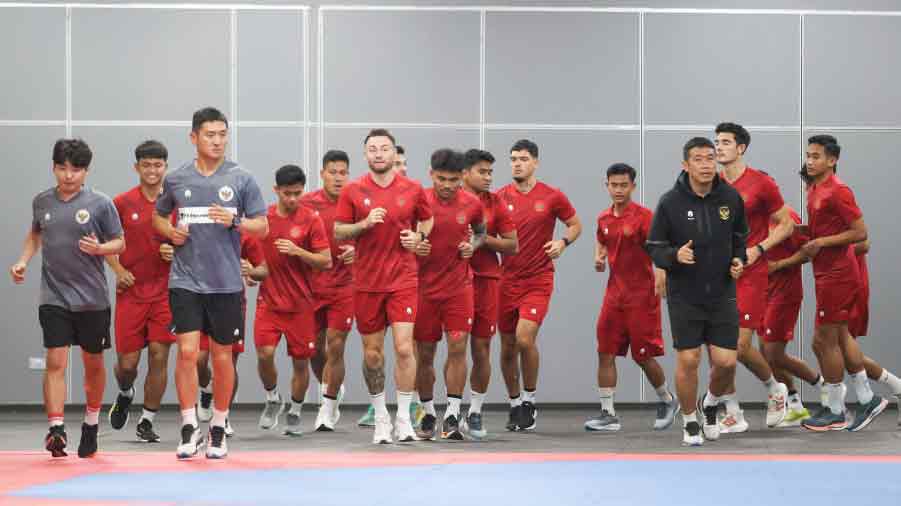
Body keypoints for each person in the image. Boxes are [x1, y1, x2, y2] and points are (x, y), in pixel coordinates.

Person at [153, 107, 268, 459]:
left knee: (221, 357)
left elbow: (262, 226)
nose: (217, 141)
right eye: (210, 135)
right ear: (194, 138)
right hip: (185, 280)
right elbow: (159, 217)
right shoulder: (176, 179)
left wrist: (235, 222)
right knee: (188, 353)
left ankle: (218, 426)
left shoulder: (242, 178)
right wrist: (170, 232)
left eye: (222, 134)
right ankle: (189, 427)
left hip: (226, 284)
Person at [11, 138, 125, 458]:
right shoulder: (42, 202)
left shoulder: (101, 204)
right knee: (55, 360)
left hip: (92, 299)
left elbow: (120, 243)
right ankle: (56, 429)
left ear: (86, 171)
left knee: (93, 364)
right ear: (54, 168)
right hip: (54, 295)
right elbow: (35, 234)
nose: (68, 175)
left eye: (76, 169)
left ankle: (91, 423)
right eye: (62, 168)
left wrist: (101, 249)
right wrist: (23, 261)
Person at [646, 136, 748, 446]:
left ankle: (710, 404)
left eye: (710, 158)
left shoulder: (730, 197)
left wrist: (739, 260)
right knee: (689, 360)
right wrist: (674, 255)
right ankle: (690, 421)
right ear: (686, 165)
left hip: (722, 292)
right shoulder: (670, 202)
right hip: (685, 294)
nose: (706, 165)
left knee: (726, 362)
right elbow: (654, 247)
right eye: (698, 159)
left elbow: (740, 237)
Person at [335, 128, 433, 444]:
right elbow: (338, 231)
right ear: (366, 155)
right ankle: (380, 417)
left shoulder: (413, 188)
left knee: (404, 348)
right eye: (373, 149)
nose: (379, 154)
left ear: (394, 153)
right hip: (367, 283)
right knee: (373, 355)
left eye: (384, 148)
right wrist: (364, 224)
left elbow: (427, 220)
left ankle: (403, 418)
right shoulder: (353, 190)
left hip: (403, 279)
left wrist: (419, 236)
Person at [799, 135, 887, 432]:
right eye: (808, 156)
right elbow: (823, 228)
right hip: (825, 273)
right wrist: (799, 231)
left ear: (832, 160)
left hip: (839, 275)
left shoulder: (838, 191)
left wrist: (821, 242)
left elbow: (860, 232)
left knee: (825, 340)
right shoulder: (814, 189)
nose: (810, 161)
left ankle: (836, 410)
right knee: (830, 339)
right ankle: (867, 399)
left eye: (816, 157)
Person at [584, 162, 677, 432]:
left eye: (624, 185)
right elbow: (602, 239)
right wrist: (599, 256)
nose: (618, 190)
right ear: (607, 186)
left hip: (642, 296)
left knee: (642, 356)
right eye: (614, 185)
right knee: (605, 351)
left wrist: (661, 273)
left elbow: (660, 248)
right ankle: (608, 414)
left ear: (633, 186)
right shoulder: (603, 218)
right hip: (614, 295)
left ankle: (667, 400)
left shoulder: (645, 217)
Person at [497, 139, 582, 432]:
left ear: (535, 162)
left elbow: (576, 224)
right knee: (507, 347)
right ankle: (514, 404)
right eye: (513, 159)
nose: (517, 164)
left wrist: (563, 242)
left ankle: (529, 400)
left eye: (523, 159)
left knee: (524, 338)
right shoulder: (499, 197)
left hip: (538, 279)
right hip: (506, 281)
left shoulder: (552, 196)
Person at [714, 122, 794, 431]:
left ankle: (776, 389)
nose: (719, 147)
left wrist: (760, 249)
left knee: (739, 346)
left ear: (741, 148)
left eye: (725, 142)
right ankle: (733, 412)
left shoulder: (761, 183)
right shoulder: (712, 184)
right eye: (716, 142)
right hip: (718, 275)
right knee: (718, 349)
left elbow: (786, 224)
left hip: (751, 273)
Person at [412, 149, 486, 440]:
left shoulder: (472, 203)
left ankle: (453, 415)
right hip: (423, 289)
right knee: (425, 355)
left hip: (459, 289)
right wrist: (415, 246)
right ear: (431, 174)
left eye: (453, 180)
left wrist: (473, 246)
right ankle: (428, 413)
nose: (446, 185)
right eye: (441, 179)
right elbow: (401, 238)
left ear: (462, 177)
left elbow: (480, 232)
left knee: (457, 348)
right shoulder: (418, 201)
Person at [106, 141, 175, 443]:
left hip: (166, 294)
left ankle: (147, 420)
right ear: (137, 167)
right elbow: (104, 242)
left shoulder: (175, 204)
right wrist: (118, 270)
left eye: (158, 165)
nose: (152, 170)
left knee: (159, 356)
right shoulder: (121, 203)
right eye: (146, 165)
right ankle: (125, 392)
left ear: (165, 167)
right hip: (131, 292)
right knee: (127, 365)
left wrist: (176, 252)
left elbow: (191, 242)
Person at [254, 165, 331, 436]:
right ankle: (272, 397)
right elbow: (248, 253)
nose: (292, 199)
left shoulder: (311, 219)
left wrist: (299, 251)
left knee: (301, 363)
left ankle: (296, 410)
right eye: (287, 193)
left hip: (302, 305)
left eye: (297, 193)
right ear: (276, 190)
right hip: (269, 303)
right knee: (264, 354)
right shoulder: (263, 219)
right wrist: (250, 271)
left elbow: (325, 260)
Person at [460, 148, 518, 439]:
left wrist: (482, 240)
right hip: (451, 282)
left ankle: (475, 412)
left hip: (486, 281)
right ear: (465, 173)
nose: (488, 177)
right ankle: (443, 412)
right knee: (450, 347)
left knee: (481, 348)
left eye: (490, 172)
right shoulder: (449, 199)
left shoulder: (496, 203)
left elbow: (512, 245)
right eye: (482, 172)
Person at [191, 233, 267, 437]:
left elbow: (263, 269)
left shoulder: (244, 233)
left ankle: (222, 416)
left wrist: (251, 271)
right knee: (198, 360)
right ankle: (207, 389)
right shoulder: (196, 226)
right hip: (199, 300)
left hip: (231, 302)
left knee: (228, 363)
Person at [302, 150, 355, 432]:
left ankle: (327, 406)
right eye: (333, 172)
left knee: (336, 345)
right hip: (311, 288)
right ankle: (330, 386)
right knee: (313, 347)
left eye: (343, 173)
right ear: (322, 173)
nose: (338, 178)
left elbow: (374, 238)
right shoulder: (306, 203)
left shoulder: (357, 203)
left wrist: (358, 252)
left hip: (345, 286)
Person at [759, 205, 822, 426]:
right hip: (761, 293)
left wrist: (778, 265)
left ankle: (825, 386)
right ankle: (795, 406)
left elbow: (808, 252)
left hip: (784, 293)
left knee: (774, 354)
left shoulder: (786, 216)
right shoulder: (751, 218)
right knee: (765, 354)